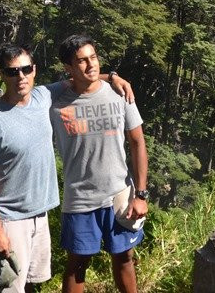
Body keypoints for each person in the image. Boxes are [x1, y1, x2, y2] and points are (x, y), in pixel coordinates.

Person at [0, 44, 133, 293]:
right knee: (8, 289)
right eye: (13, 72)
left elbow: (81, 76)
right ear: (2, 74)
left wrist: (112, 77)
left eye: (25, 69)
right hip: (9, 220)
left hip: (40, 214)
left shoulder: (43, 96)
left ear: (34, 70)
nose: (21, 77)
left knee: (33, 284)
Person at [49, 35, 148, 293]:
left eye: (93, 57)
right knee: (77, 264)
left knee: (124, 257)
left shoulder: (120, 94)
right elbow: (23, 96)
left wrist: (141, 194)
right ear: (69, 69)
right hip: (80, 197)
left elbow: (137, 142)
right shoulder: (56, 103)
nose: (91, 65)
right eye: (81, 61)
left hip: (119, 194)